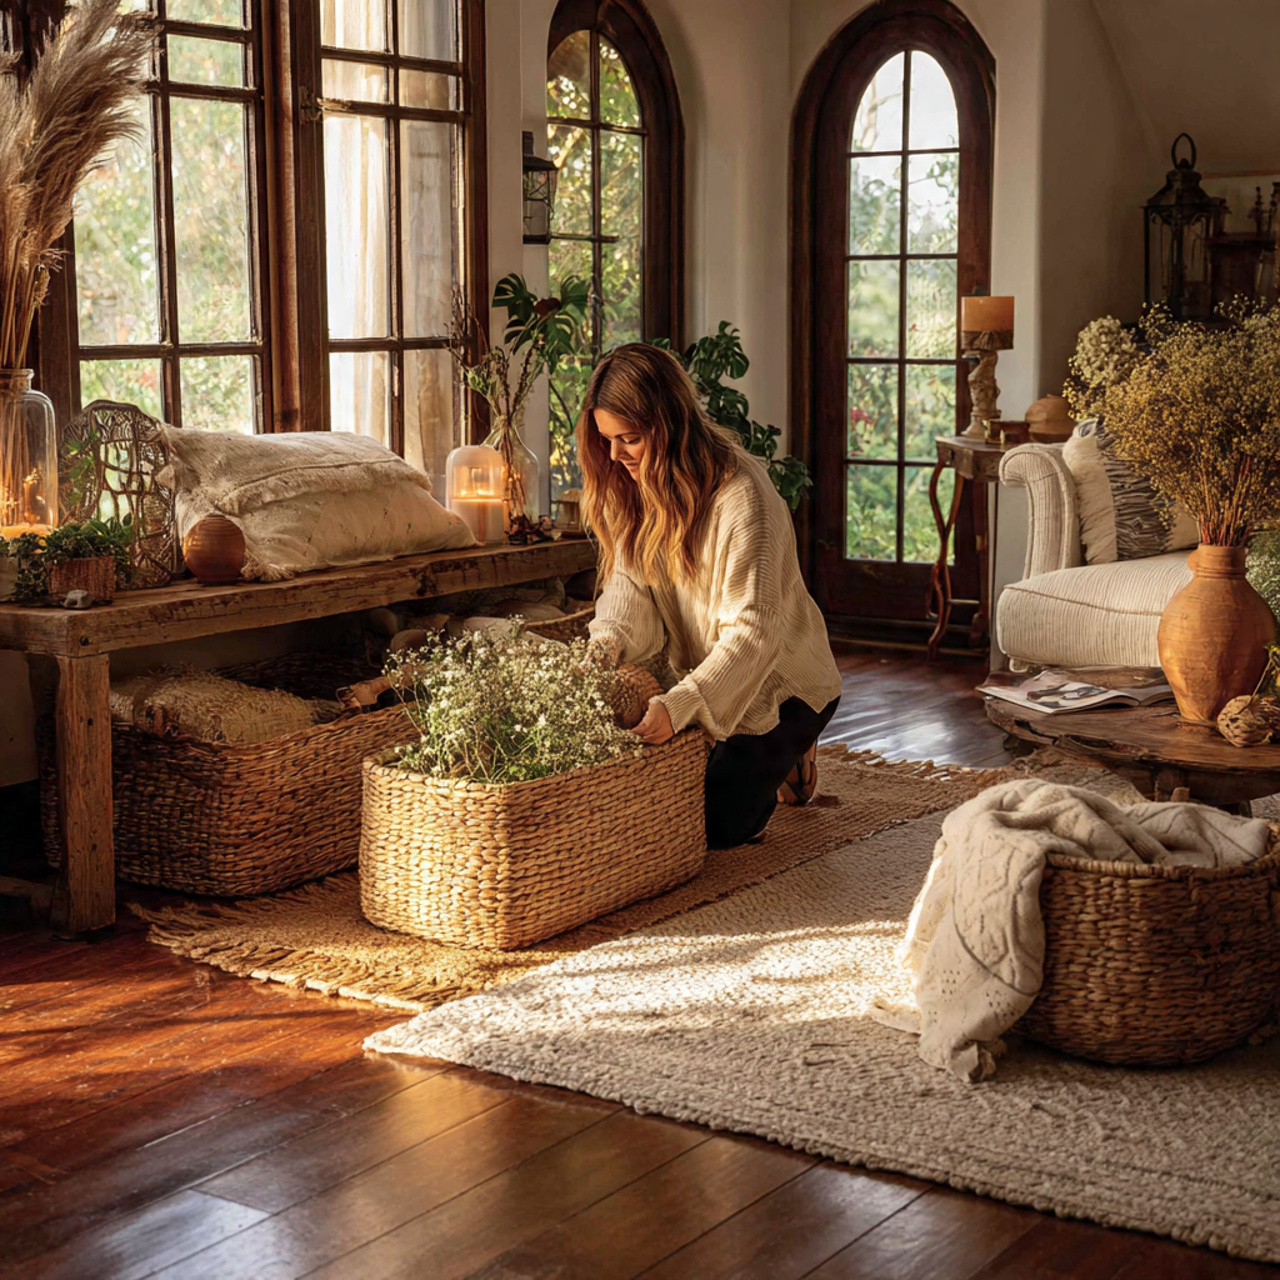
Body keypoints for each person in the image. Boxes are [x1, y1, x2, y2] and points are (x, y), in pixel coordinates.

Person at [578, 343, 842, 850]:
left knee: (712, 827)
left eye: (629, 439)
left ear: (668, 425)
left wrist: (681, 706)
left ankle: (797, 746)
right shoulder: (633, 485)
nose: (615, 456)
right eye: (607, 440)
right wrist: (605, 645)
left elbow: (754, 634)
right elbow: (628, 584)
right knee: (644, 809)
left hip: (782, 685)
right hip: (711, 678)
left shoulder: (744, 498)